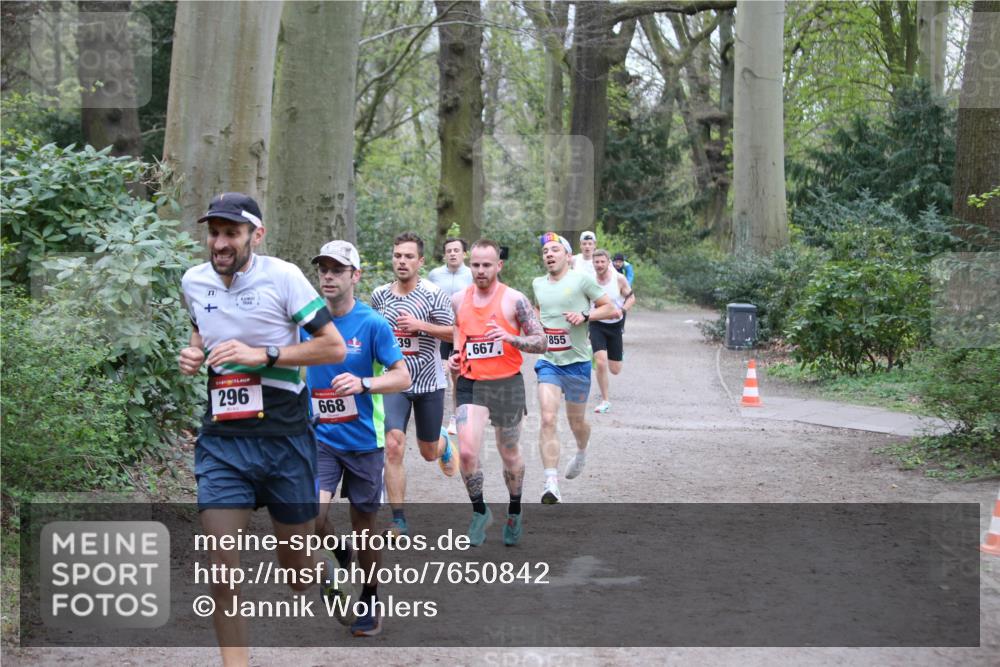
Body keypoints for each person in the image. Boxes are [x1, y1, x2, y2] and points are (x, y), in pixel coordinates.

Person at [178, 193, 349, 666]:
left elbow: (333, 347)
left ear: (256, 234)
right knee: (221, 567)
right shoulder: (193, 281)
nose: (220, 243)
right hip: (223, 442)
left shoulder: (284, 278)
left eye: (231, 233)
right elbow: (201, 330)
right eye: (214, 233)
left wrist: (265, 355)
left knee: (297, 576)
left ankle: (322, 570)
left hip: (284, 439)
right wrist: (194, 354)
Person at [304, 240, 411, 637]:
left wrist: (364, 383)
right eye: (323, 270)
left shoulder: (372, 324)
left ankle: (369, 596)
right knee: (312, 516)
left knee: (364, 527)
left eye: (337, 270)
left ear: (355, 276)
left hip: (365, 441)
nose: (328, 277)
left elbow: (402, 376)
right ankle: (338, 556)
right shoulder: (307, 320)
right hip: (322, 438)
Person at [447, 239, 546, 546]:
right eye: (475, 265)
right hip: (471, 383)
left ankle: (514, 510)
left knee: (509, 452)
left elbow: (541, 341)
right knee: (466, 452)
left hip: (506, 384)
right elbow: (458, 328)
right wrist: (455, 353)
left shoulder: (514, 300)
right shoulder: (458, 299)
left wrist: (510, 337)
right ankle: (480, 512)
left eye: (487, 265)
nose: (480, 270)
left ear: (499, 265)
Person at [370, 232, 457, 537]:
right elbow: (373, 332)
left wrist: (422, 326)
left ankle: (443, 444)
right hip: (395, 381)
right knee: (393, 446)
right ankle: (399, 520)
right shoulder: (380, 296)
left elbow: (455, 332)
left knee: (428, 452)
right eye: (397, 256)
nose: (402, 261)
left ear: (420, 261)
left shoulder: (433, 295)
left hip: (429, 382)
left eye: (408, 256)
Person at [531, 233, 619, 503]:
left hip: (577, 364)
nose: (549, 254)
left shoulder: (581, 280)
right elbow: (539, 310)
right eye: (545, 251)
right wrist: (536, 330)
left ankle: (581, 450)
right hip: (549, 362)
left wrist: (585, 315)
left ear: (568, 256)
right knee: (547, 418)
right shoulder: (537, 283)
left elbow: (611, 309)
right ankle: (551, 483)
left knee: (576, 422)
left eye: (555, 250)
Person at [427, 237, 473, 434]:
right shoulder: (435, 274)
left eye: (456, 250)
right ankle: (431, 414)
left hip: (463, 330)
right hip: (440, 330)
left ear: (464, 254)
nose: (453, 254)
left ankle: (456, 416)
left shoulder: (471, 274)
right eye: (449, 251)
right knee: (440, 372)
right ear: (444, 255)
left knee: (457, 376)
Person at [589, 249, 635, 414]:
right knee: (601, 362)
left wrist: (622, 310)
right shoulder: (589, 280)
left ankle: (618, 353)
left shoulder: (619, 279)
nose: (600, 265)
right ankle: (605, 401)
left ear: (609, 262)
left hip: (615, 326)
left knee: (615, 370)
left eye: (603, 261)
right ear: (593, 263)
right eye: (597, 262)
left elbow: (631, 298)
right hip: (596, 324)